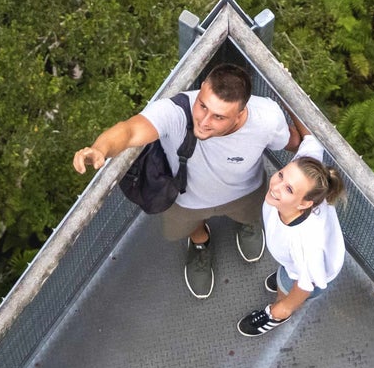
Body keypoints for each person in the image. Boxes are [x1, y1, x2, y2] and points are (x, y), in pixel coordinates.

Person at [72, 62, 301, 298]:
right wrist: (100, 149)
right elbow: (129, 130)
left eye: (219, 117)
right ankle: (200, 241)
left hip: (245, 192)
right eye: (203, 105)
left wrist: (289, 91)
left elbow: (295, 143)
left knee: (251, 214)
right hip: (186, 198)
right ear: (202, 88)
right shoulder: (177, 112)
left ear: (241, 114)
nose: (204, 120)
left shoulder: (266, 119)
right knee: (185, 226)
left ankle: (248, 225)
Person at [237, 138, 347, 337]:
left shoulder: (305, 244)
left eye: (288, 189)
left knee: (286, 288)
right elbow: (311, 139)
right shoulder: (306, 172)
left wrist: (284, 307)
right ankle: (284, 278)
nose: (276, 186)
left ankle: (276, 312)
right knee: (287, 274)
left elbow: (306, 284)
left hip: (306, 274)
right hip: (298, 264)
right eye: (280, 175)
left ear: (305, 203)